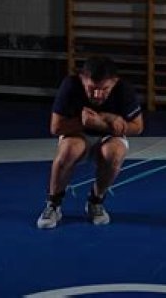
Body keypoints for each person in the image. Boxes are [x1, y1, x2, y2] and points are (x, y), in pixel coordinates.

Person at [37, 55, 143, 229]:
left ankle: (96, 201)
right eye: (91, 88)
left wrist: (102, 120)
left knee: (115, 152)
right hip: (77, 134)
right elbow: (55, 128)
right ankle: (53, 204)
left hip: (108, 136)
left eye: (104, 89)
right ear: (82, 79)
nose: (97, 95)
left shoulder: (123, 89)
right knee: (70, 149)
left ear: (114, 82)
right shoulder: (71, 85)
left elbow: (137, 127)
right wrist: (84, 122)